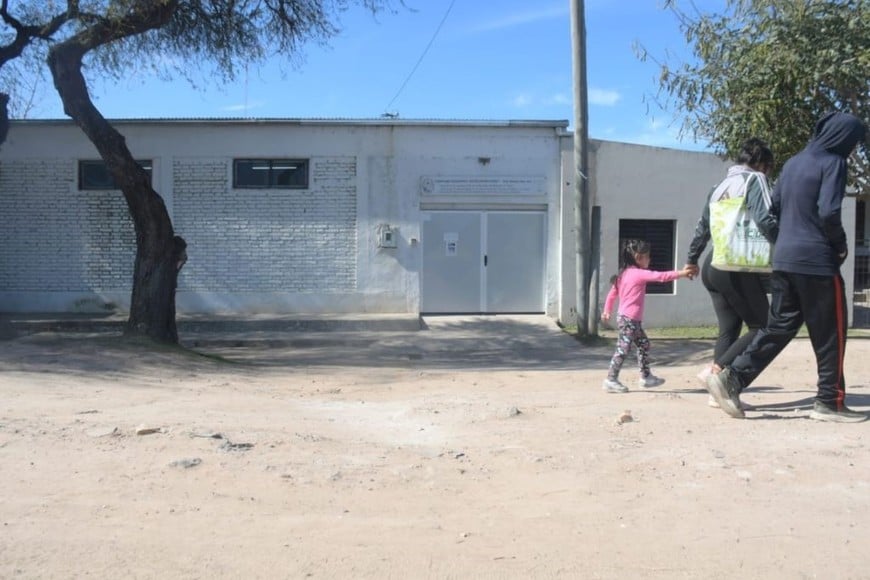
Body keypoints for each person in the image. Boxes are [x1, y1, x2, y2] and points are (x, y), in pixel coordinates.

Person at [707, 111, 868, 422]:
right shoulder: (833, 162)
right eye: (852, 141)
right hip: (817, 262)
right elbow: (829, 211)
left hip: (783, 260)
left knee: (779, 327)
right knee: (831, 332)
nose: (852, 148)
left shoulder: (793, 163)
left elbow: (775, 208)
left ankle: (732, 378)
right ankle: (829, 402)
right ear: (842, 138)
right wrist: (840, 244)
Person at [684, 138, 779, 409]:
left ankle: (717, 395)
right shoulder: (755, 180)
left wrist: (692, 259)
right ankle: (717, 372)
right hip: (736, 265)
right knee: (764, 325)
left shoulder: (718, 187)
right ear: (762, 163)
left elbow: (702, 227)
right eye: (769, 168)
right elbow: (765, 219)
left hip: (712, 265)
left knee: (729, 329)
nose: (768, 173)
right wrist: (785, 246)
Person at [601, 239, 695, 393]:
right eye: (647, 256)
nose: (649, 259)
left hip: (630, 320)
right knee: (623, 349)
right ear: (638, 257)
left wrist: (607, 311)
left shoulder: (623, 274)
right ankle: (611, 379)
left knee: (644, 344)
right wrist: (682, 273)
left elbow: (612, 295)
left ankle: (646, 378)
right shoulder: (637, 274)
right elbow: (661, 276)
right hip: (629, 320)